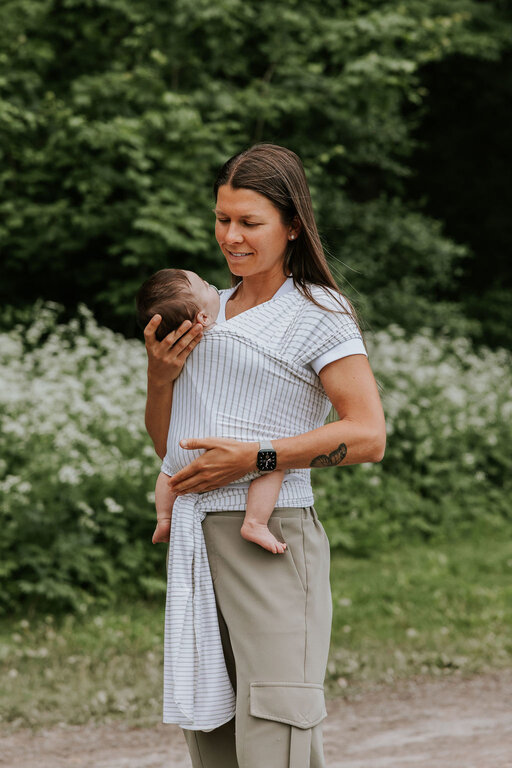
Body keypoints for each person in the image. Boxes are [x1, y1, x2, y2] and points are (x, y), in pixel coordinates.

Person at [143, 143, 386, 768]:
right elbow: (168, 446)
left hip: (271, 540)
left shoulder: (318, 315)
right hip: (197, 543)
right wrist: (159, 377)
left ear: (291, 225)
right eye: (223, 219)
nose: (231, 236)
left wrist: (259, 458)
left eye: (250, 222)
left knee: (276, 731)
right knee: (214, 737)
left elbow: (367, 435)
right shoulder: (201, 310)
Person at [136, 267, 286, 554]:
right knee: (274, 464)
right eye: (206, 285)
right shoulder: (228, 335)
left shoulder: (176, 350)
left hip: (182, 450)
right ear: (202, 319)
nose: (214, 286)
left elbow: (162, 449)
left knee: (168, 473)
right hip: (233, 449)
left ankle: (164, 518)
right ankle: (255, 522)